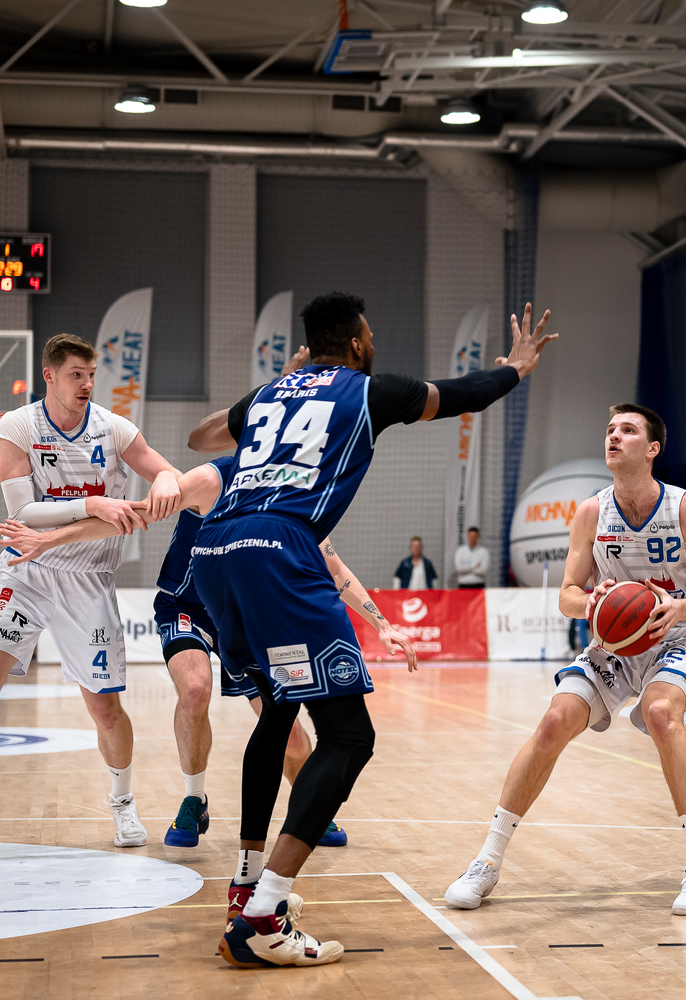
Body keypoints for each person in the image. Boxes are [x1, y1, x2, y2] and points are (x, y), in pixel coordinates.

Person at [194, 294, 557, 968]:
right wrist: (516, 367)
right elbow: (462, 394)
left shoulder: (269, 393)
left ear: (309, 345)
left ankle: (245, 885)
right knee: (348, 736)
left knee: (277, 712)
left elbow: (203, 437)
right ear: (358, 342)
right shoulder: (368, 390)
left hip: (215, 549)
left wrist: (274, 387)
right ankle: (264, 913)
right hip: (281, 551)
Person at [0, 452, 416, 851]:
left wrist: (383, 624)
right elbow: (130, 517)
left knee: (285, 727)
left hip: (246, 616)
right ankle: (194, 800)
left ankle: (309, 808)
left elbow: (333, 567)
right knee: (194, 689)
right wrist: (50, 539)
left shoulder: (292, 495)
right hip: (186, 606)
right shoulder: (212, 479)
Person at [0, 334, 182, 862]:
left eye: (91, 374)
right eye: (76, 374)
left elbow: (168, 473)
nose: (87, 384)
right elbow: (23, 514)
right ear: (49, 375)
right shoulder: (18, 425)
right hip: (26, 572)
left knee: (105, 710)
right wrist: (94, 504)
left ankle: (123, 802)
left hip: (88, 579)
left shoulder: (114, 428)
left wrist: (164, 480)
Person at [443, 403, 686, 916]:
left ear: (652, 449)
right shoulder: (590, 513)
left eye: (628, 430)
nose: (614, 436)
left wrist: (679, 607)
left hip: (680, 639)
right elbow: (567, 596)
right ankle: (487, 859)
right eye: (610, 430)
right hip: (615, 648)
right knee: (554, 720)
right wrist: (594, 603)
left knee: (662, 713)